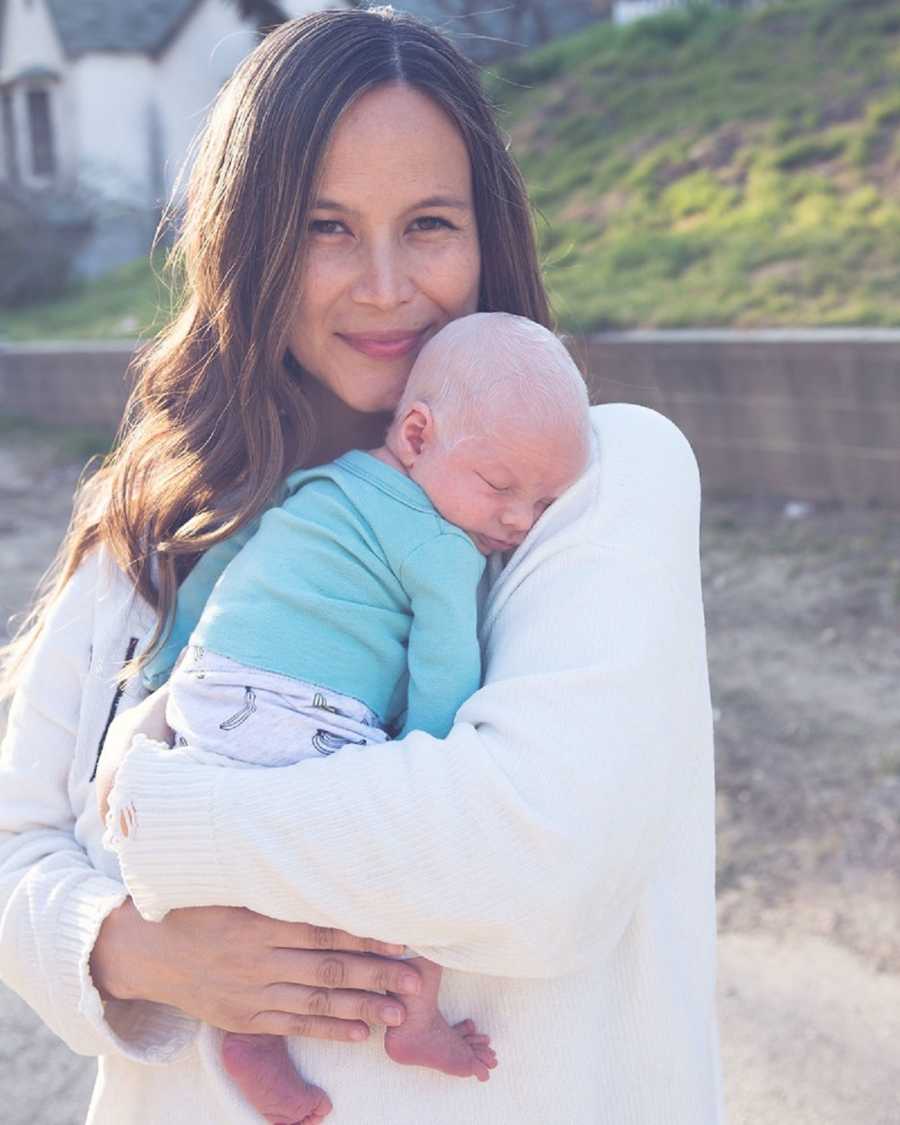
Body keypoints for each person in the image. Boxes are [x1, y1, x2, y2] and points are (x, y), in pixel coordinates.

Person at [0, 9, 722, 1124]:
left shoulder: (594, 481)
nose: (383, 285)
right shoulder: (147, 524)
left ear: (489, 236)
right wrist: (134, 952)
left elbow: (536, 863)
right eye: (325, 227)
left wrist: (165, 815)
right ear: (245, 243)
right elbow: (16, 846)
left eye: (428, 223)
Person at [115, 312, 590, 1124]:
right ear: (416, 433)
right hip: (301, 717)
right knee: (417, 859)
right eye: (501, 486)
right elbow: (446, 669)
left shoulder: (323, 482)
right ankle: (413, 1017)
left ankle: (248, 1033)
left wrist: (167, 671)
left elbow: (223, 567)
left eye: (543, 502)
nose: (517, 521)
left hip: (209, 695)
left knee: (253, 874)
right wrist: (418, 770)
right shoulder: (444, 547)